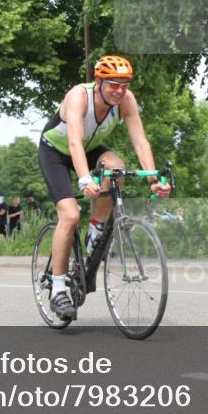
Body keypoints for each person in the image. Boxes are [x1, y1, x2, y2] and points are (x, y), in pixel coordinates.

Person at [37, 54, 171, 319]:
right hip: (56, 152)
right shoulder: (79, 96)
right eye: (113, 84)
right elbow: (74, 141)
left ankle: (96, 229)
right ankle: (59, 287)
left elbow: (140, 142)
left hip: (88, 149)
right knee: (71, 214)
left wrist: (153, 180)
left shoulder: (126, 100)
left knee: (116, 169)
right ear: (98, 81)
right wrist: (85, 179)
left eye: (124, 84)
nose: (119, 90)